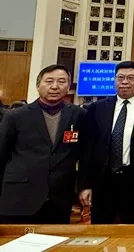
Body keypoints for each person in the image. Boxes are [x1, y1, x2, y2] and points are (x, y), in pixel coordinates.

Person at [0, 64, 86, 223]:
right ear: (38, 85)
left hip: (59, 199)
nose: (55, 86)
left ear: (68, 86)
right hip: (18, 197)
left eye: (61, 81)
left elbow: (86, 155)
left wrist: (83, 187)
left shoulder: (79, 115)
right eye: (49, 81)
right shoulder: (16, 116)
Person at [78, 61, 134, 223]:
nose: (125, 82)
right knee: (101, 230)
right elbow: (88, 149)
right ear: (114, 80)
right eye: (120, 77)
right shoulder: (97, 108)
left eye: (130, 78)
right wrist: (84, 185)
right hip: (103, 180)